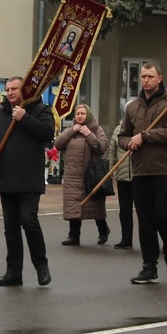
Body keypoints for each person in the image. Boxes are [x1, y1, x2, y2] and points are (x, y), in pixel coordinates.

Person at [0, 76, 56, 287]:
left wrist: (24, 118)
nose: (10, 92)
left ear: (25, 90)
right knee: (10, 227)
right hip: (7, 178)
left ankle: (41, 266)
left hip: (30, 177)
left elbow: (48, 133)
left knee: (28, 220)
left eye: (15, 89)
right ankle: (13, 272)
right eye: (8, 89)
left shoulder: (40, 109)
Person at [118, 62, 167, 284]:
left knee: (164, 217)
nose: (145, 80)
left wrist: (145, 136)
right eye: (143, 76)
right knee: (145, 222)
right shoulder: (132, 107)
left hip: (166, 170)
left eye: (150, 76)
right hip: (141, 171)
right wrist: (129, 143)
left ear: (159, 78)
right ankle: (149, 266)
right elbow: (122, 136)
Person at [58, 103, 110, 247]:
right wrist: (71, 131)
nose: (79, 116)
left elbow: (102, 147)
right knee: (74, 206)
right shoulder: (70, 129)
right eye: (77, 114)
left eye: (82, 113)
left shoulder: (96, 129)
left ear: (88, 115)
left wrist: (89, 135)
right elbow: (58, 144)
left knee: (95, 207)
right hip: (73, 175)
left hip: (91, 175)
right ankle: (73, 236)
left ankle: (103, 230)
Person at [104, 123, 136, 251]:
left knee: (144, 211)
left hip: (139, 176)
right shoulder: (119, 129)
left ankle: (147, 241)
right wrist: (112, 170)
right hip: (122, 177)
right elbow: (112, 151)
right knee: (125, 210)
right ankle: (126, 239)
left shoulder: (143, 127)